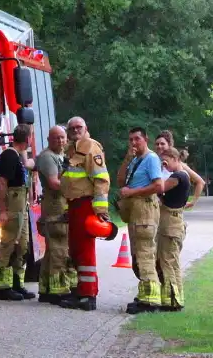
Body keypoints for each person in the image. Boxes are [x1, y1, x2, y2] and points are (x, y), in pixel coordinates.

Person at [58, 116, 116, 311]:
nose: (75, 130)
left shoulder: (91, 148)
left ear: (86, 128)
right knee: (75, 250)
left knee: (85, 251)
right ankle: (80, 291)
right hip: (74, 205)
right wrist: (67, 208)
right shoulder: (71, 149)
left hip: (86, 205)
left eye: (79, 127)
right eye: (71, 128)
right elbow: (69, 182)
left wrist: (100, 210)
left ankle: (88, 295)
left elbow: (101, 180)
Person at [117, 127, 167, 314]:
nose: (134, 143)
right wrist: (127, 158)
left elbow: (158, 185)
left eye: (137, 139)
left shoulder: (151, 158)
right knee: (137, 255)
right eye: (131, 139)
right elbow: (121, 181)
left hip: (145, 209)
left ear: (145, 139)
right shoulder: (135, 160)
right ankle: (145, 294)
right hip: (134, 210)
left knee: (145, 253)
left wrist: (132, 192)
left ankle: (150, 301)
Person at [157, 147, 204, 312]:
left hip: (170, 225)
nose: (165, 165)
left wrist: (157, 169)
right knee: (174, 263)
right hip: (175, 224)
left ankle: (171, 301)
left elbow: (159, 187)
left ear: (174, 158)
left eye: (166, 162)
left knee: (167, 262)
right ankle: (177, 298)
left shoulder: (177, 177)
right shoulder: (183, 176)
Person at [0, 123, 36, 301]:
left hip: (21, 205)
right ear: (27, 139)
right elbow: (2, 183)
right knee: (8, 244)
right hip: (12, 204)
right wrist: (2, 211)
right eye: (31, 136)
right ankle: (1, 286)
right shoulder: (9, 156)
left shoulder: (19, 155)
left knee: (23, 245)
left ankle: (18, 283)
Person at [34, 125, 74, 304]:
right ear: (49, 139)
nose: (60, 141)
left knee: (51, 252)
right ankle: (59, 291)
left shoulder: (62, 156)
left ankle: (45, 289)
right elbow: (54, 183)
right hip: (54, 210)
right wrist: (75, 188)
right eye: (56, 138)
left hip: (61, 207)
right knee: (59, 250)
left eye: (63, 137)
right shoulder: (48, 157)